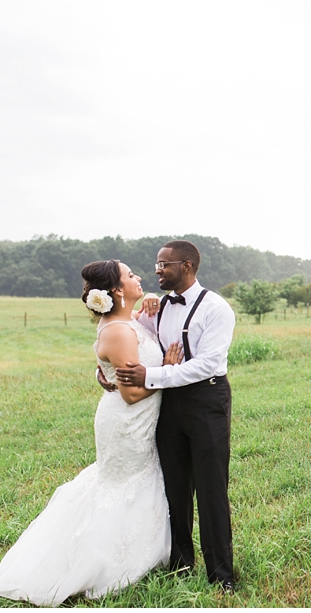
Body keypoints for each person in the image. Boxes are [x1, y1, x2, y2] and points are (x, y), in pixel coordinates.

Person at [0, 260, 183, 607]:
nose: (140, 278)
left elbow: (120, 358)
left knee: (131, 481)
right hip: (127, 421)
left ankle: (140, 552)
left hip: (137, 418)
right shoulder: (118, 330)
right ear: (116, 290)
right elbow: (132, 393)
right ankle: (102, 563)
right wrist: (167, 371)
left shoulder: (124, 321)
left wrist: (150, 300)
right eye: (131, 276)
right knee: (122, 485)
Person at [113, 240, 237, 592]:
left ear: (186, 266)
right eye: (156, 264)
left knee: (211, 489)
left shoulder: (216, 308)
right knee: (174, 488)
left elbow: (208, 364)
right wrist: (106, 372)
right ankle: (180, 565)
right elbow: (133, 344)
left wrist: (153, 377)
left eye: (164, 264)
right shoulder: (155, 308)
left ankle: (221, 576)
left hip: (206, 400)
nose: (157, 270)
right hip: (167, 405)